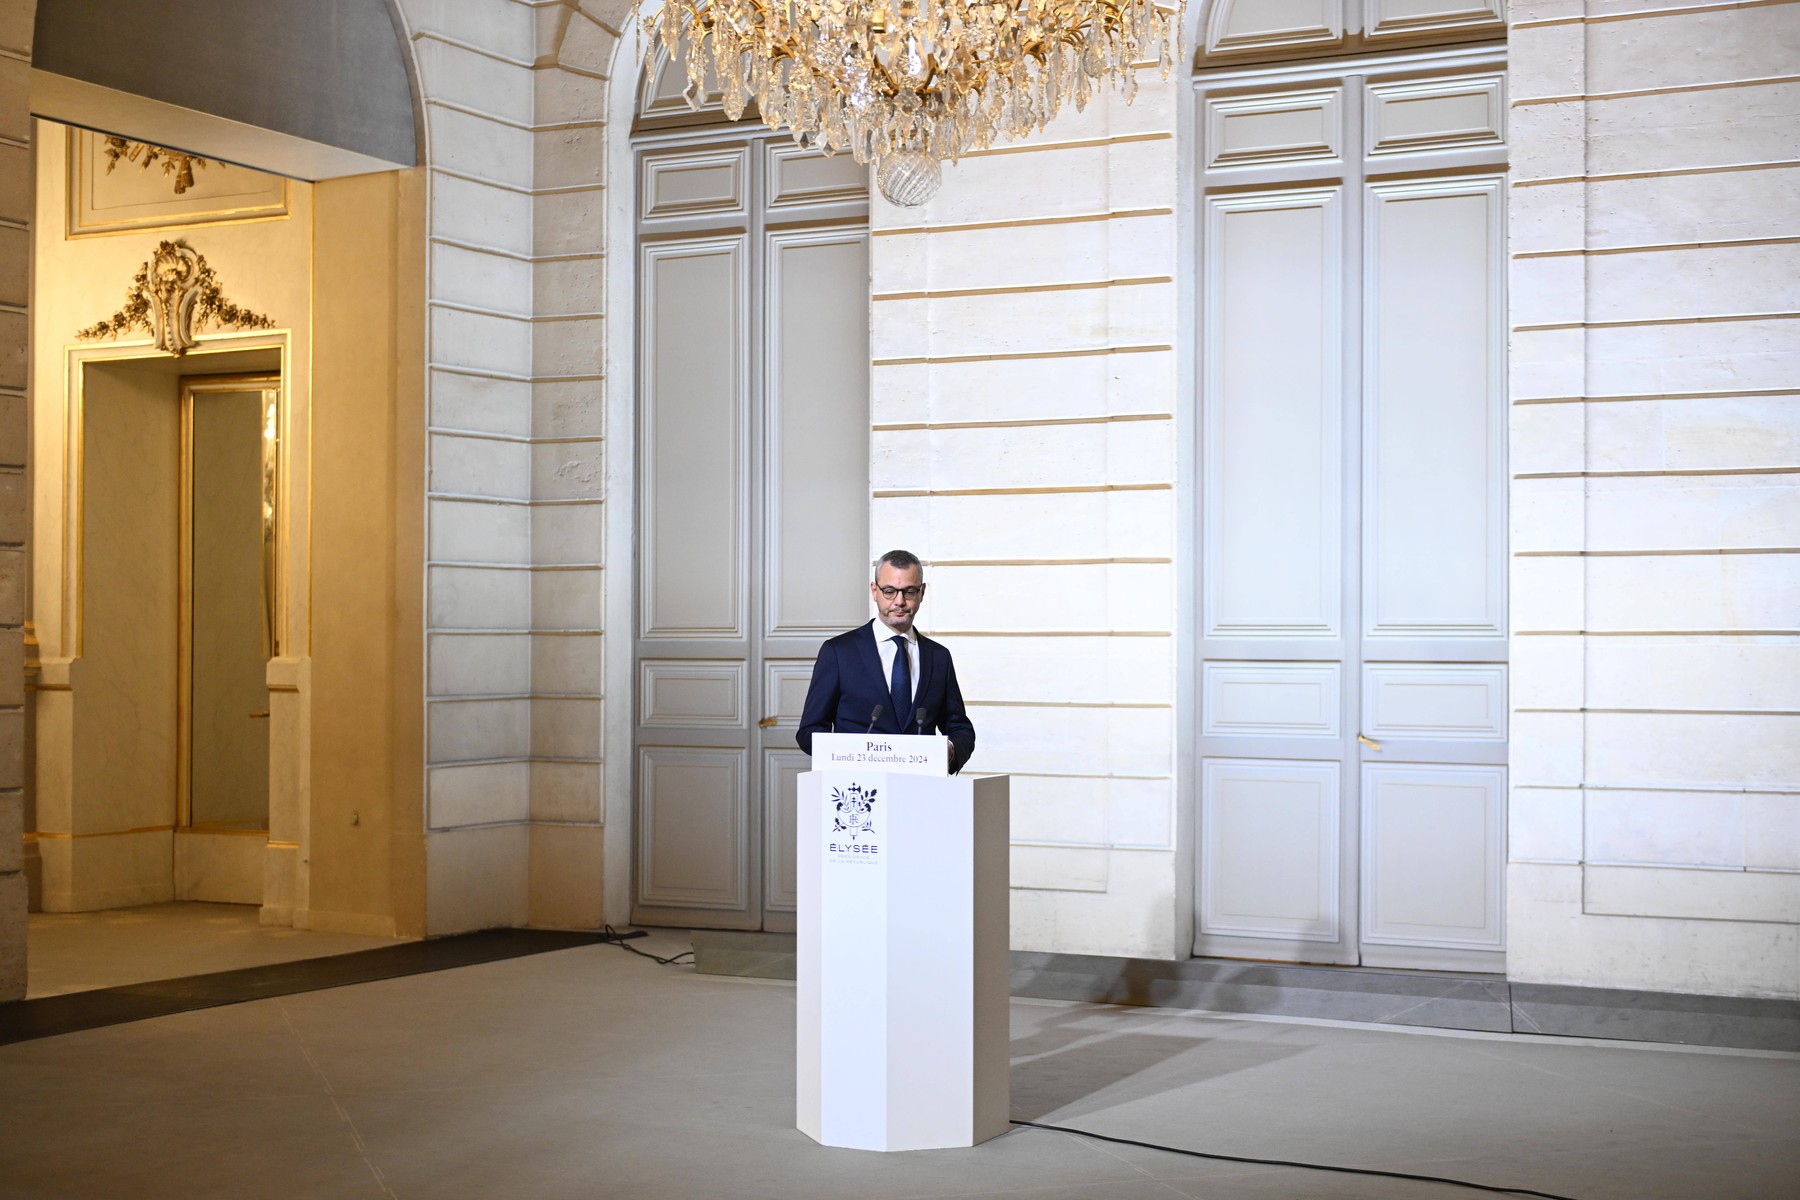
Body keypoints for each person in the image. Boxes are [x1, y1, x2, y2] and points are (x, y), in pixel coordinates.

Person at [796, 549, 977, 773]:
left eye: (909, 592)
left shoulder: (938, 656)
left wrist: (949, 750)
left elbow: (960, 728)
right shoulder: (838, 652)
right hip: (858, 791)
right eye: (890, 591)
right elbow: (809, 731)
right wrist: (847, 756)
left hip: (921, 789)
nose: (899, 602)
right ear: (875, 591)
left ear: (922, 592)